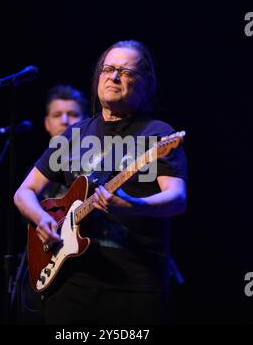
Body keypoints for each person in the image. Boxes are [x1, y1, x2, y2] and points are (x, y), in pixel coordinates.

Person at [14, 40, 188, 325]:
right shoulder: (74, 134)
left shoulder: (159, 135)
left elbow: (177, 199)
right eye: (108, 69)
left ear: (145, 84)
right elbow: (25, 192)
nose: (113, 76)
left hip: (135, 286)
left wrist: (132, 205)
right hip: (70, 284)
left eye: (125, 71)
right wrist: (41, 219)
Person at [16, 85, 88, 323]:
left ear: (85, 122)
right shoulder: (37, 174)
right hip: (44, 274)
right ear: (47, 123)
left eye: (74, 115)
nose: (65, 121)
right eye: (57, 115)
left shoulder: (93, 166)